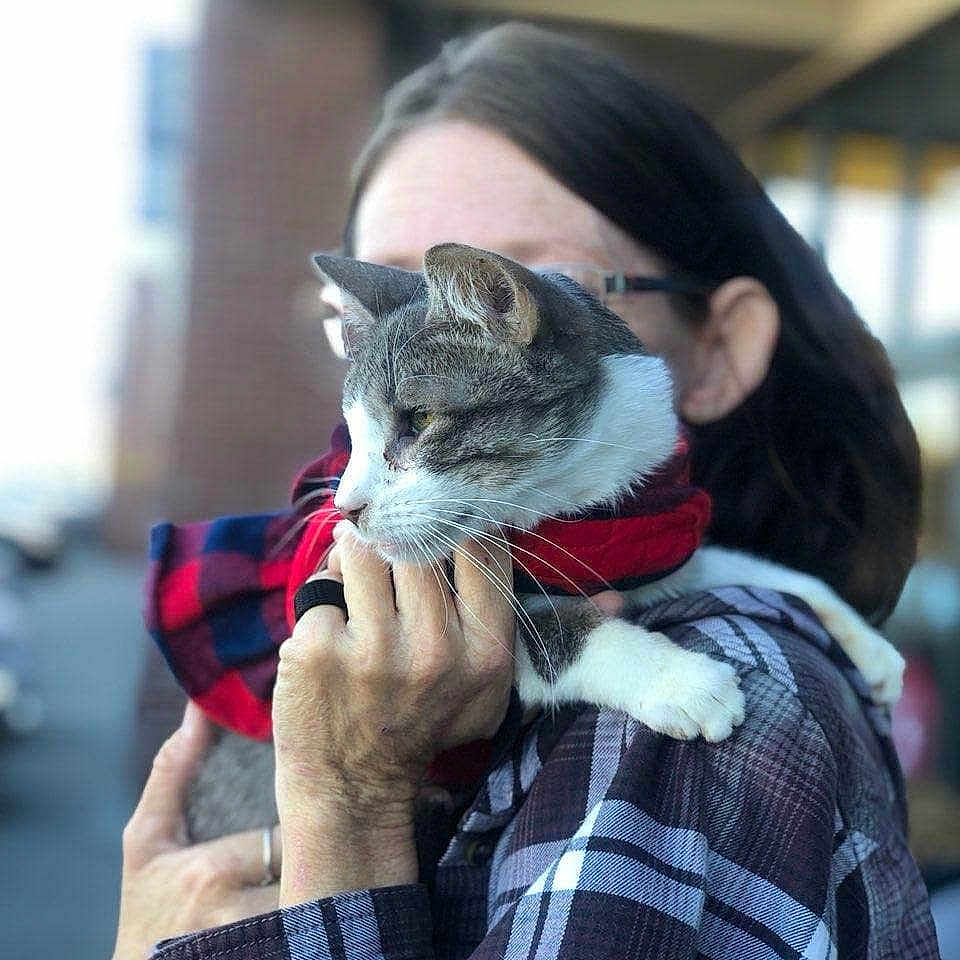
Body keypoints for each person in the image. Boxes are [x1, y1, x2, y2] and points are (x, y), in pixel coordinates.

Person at [112, 22, 940, 959]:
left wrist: (343, 814)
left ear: (722, 346)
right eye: (373, 319)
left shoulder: (709, 718)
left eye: (534, 278)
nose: (439, 330)